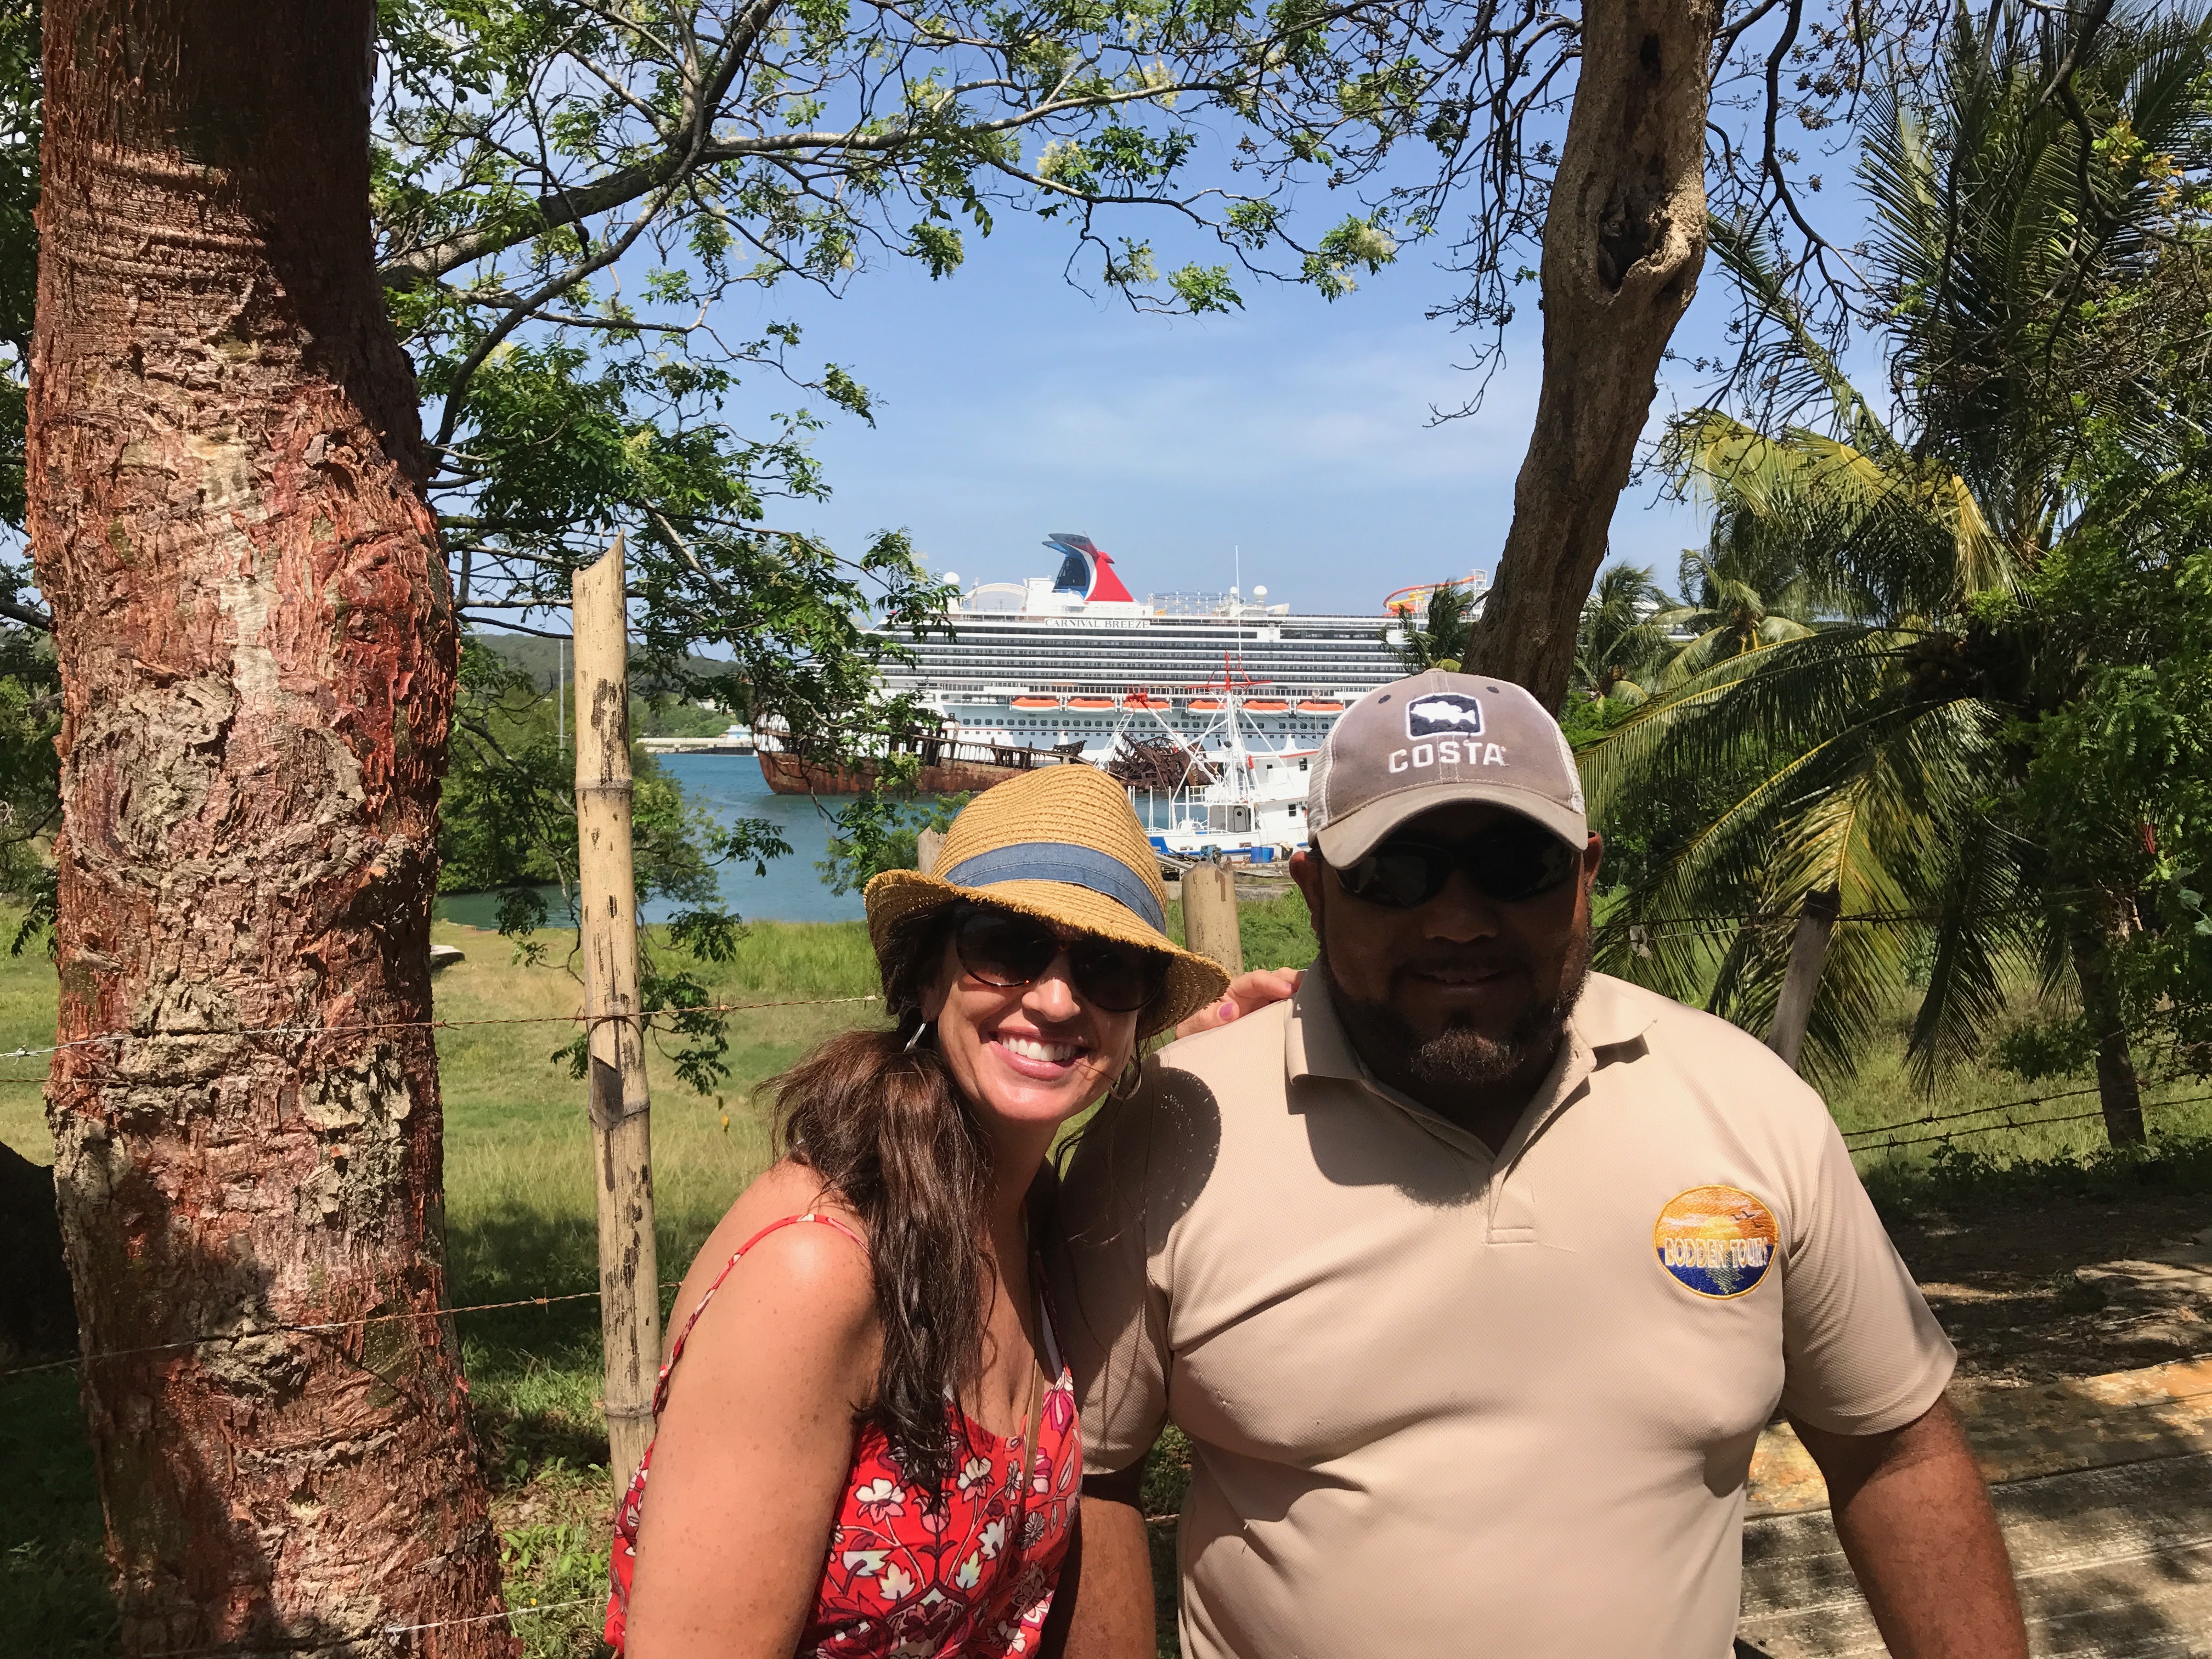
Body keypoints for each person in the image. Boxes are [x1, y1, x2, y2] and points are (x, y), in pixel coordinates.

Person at [1046, 670, 2030, 1659]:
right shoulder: (1174, 1127)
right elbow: (1089, 1478)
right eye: (1397, 873)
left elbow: (1892, 1448)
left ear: (1585, 872)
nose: (1459, 921)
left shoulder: (1750, 1106)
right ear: (1314, 890)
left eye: (1516, 865)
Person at [601, 760, 1307, 1658]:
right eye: (1006, 946)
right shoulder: (817, 1272)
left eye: (1107, 968)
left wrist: (1208, 1069)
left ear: (1137, 1019)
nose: (1057, 999)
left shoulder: (1023, 1211)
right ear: (927, 979)